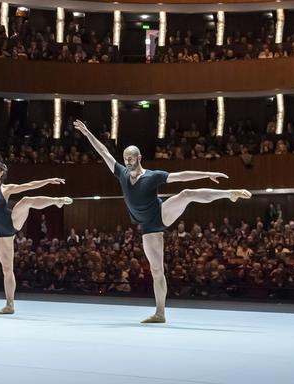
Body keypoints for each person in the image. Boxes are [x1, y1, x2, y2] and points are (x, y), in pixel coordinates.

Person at [74, 120, 251, 323]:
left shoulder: (153, 176)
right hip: (148, 227)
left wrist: (207, 173)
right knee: (156, 270)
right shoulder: (121, 173)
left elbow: (181, 176)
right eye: (125, 158)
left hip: (160, 213)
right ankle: (160, 313)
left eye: (131, 157)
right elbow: (104, 152)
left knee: (186, 193)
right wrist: (88, 133)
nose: (128, 161)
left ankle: (229, 194)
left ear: (139, 158)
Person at [0, 133, 72, 314]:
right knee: (7, 269)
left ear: (1, 174)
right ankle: (10, 305)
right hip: (1, 233)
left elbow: (29, 185)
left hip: (12, 222)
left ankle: (56, 200)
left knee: (26, 199)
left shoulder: (5, 189)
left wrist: (48, 181)